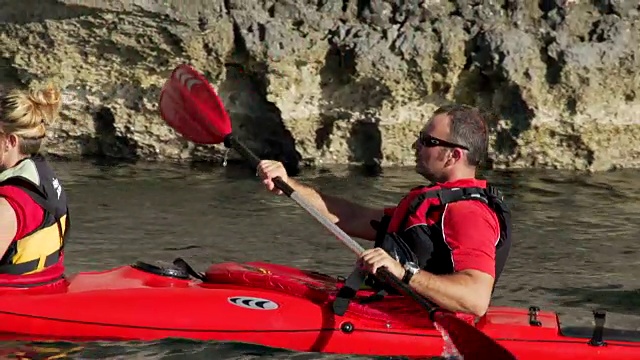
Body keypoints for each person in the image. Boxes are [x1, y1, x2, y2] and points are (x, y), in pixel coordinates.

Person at [257, 104, 511, 317]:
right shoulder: (435, 206)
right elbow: (351, 217)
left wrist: (403, 272)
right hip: (396, 308)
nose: (416, 145)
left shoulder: (468, 213)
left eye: (427, 141)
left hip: (422, 325)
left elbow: (476, 299)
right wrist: (288, 185)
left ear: (453, 155)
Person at [0, 83, 70, 287]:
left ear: (10, 142)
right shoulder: (44, 178)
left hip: (14, 300)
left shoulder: (9, 205)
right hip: (46, 286)